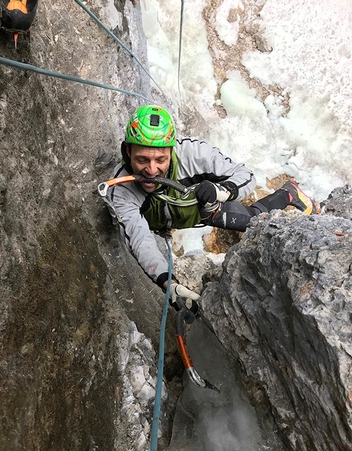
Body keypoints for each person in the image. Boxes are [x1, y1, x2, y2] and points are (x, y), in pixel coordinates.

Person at [102, 105, 318, 312]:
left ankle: (288, 193)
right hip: (168, 219)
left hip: (204, 210)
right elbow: (140, 240)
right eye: (142, 160)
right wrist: (169, 283)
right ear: (127, 151)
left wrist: (221, 191)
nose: (151, 170)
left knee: (254, 221)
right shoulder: (121, 189)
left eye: (161, 160)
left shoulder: (194, 154)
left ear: (171, 150)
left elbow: (246, 176)